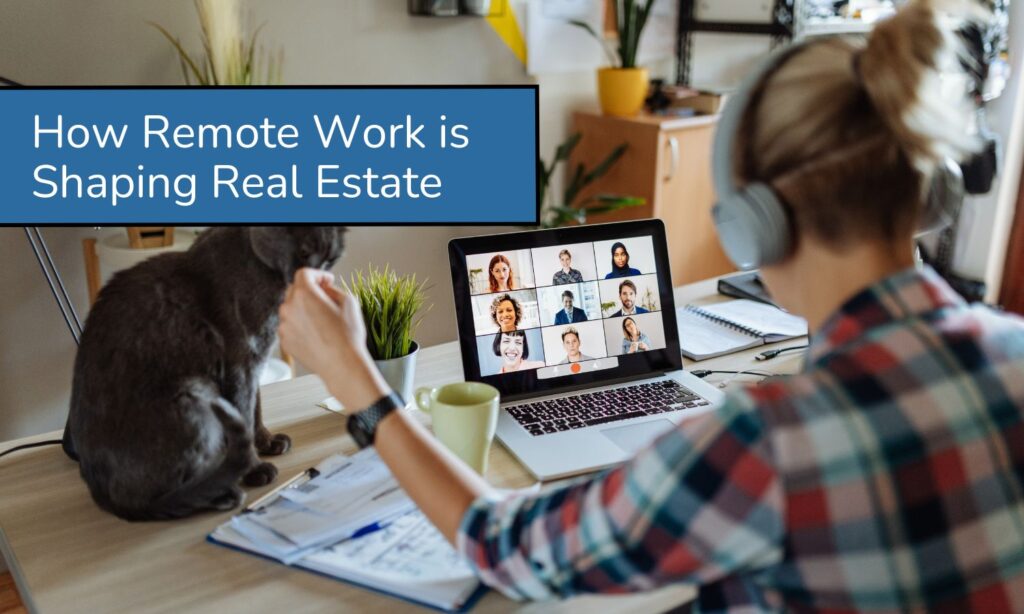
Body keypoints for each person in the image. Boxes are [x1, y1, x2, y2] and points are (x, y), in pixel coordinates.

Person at [278, 3, 1024, 610]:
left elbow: (506, 549)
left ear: (754, 220)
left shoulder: (768, 444)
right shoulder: (1013, 352)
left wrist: (360, 384)